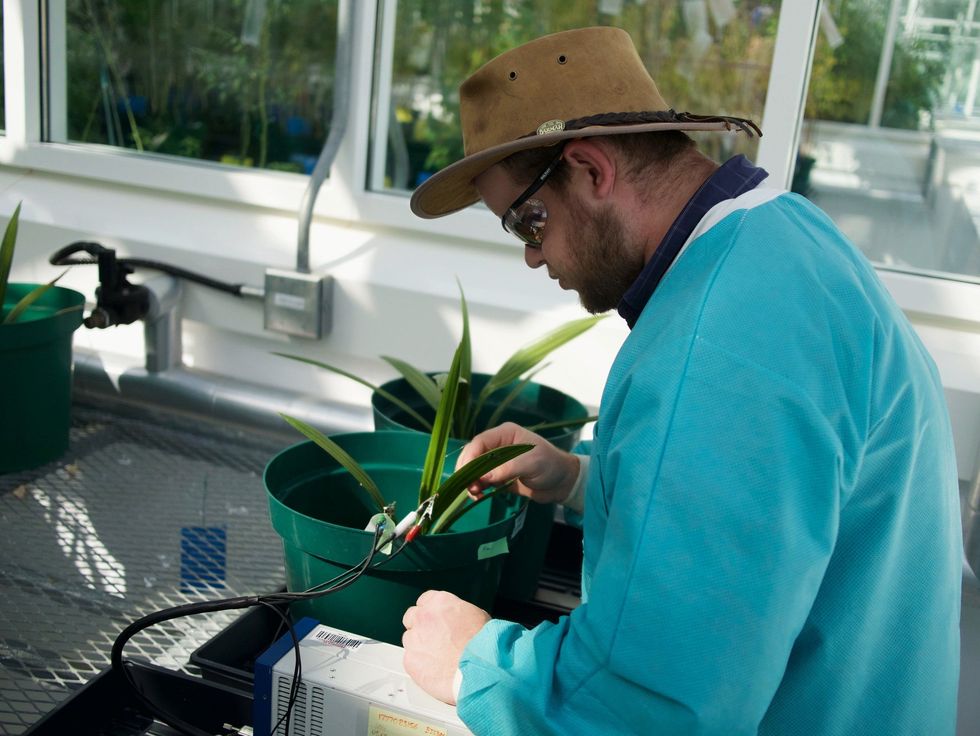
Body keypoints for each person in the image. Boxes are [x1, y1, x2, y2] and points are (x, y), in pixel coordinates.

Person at [401, 26, 962, 735]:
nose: (532, 258)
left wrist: (471, 660)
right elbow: (781, 500)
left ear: (591, 170)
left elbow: (650, 707)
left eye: (528, 221)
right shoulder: (784, 240)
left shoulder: (717, 345)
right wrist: (580, 477)